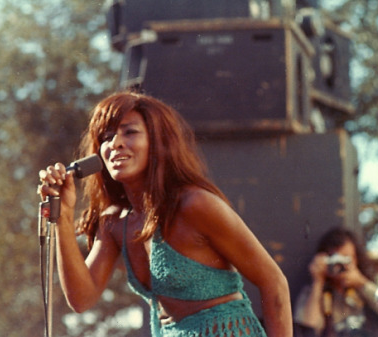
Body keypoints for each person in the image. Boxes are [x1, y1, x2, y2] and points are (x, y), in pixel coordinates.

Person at [37, 91, 292, 336]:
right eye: (106, 136)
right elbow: (81, 299)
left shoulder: (195, 204)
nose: (115, 143)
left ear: (158, 142)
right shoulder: (115, 222)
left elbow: (274, 283)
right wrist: (63, 216)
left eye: (130, 132)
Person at [294, 227, 378, 337]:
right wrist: (318, 282)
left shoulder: (375, 282)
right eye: (336, 260)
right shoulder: (317, 290)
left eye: (347, 259)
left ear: (357, 258)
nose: (342, 266)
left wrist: (362, 283)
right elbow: (309, 329)